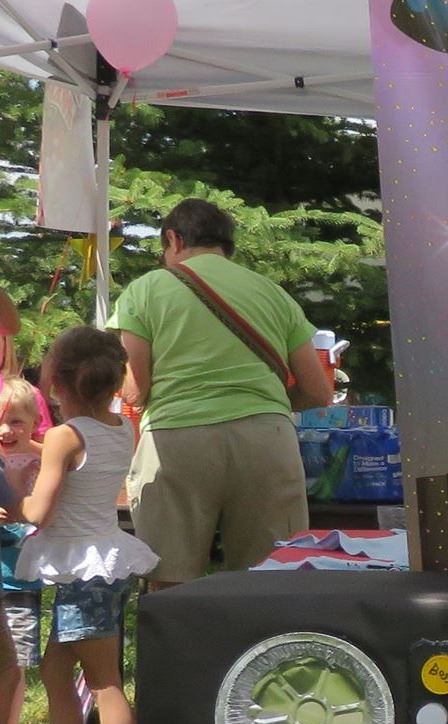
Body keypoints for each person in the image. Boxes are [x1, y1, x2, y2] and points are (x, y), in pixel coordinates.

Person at [111, 197, 335, 586]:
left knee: (170, 583)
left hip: (176, 440)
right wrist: (266, 404)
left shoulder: (144, 290)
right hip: (267, 441)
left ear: (174, 239)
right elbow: (318, 392)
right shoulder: (272, 292)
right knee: (267, 582)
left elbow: (134, 390)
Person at [1, 326, 155, 724]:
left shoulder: (64, 437)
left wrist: (12, 500)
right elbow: (78, 474)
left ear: (55, 380)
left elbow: (39, 512)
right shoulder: (121, 427)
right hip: (104, 562)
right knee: (55, 671)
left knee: (104, 681)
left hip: (84, 571)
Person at [0, 377, 46, 724]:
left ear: (34, 422)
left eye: (16, 421)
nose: (6, 430)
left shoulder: (42, 459)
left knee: (14, 664)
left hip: (20, 578)